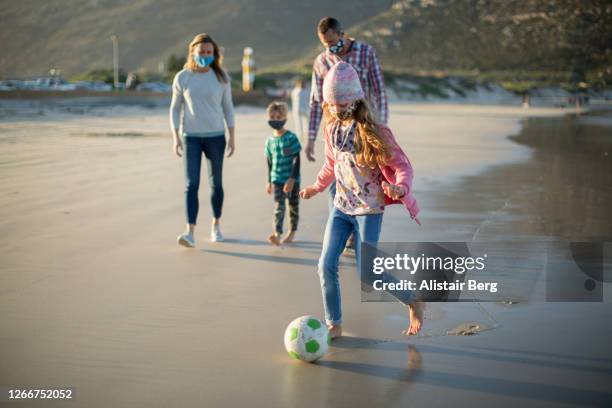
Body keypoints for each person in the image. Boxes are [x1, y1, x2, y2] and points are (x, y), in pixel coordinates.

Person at [299, 62, 423, 339]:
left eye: (340, 103)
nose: (334, 109)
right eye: (330, 104)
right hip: (341, 207)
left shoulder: (374, 133)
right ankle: (334, 323)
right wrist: (316, 187)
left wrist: (401, 187)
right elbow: (331, 165)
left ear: (354, 101)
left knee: (367, 273)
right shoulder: (331, 129)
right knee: (325, 265)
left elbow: (403, 166)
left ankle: (412, 299)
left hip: (369, 209)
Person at [307, 17, 390, 253]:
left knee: (364, 179)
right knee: (336, 180)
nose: (329, 47)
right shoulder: (321, 61)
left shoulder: (365, 53)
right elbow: (315, 102)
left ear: (342, 34)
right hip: (335, 130)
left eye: (333, 42)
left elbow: (378, 89)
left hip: (364, 129)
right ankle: (347, 233)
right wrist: (311, 137)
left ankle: (359, 231)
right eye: (325, 44)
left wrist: (381, 126)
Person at [170, 33, 236, 248]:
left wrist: (232, 136)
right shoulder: (182, 77)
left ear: (214, 54)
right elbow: (175, 108)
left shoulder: (221, 77)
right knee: (192, 184)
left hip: (216, 137)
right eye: (201, 52)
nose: (205, 55)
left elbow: (228, 108)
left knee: (216, 183)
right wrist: (175, 136)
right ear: (193, 53)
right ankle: (190, 232)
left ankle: (216, 226)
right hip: (191, 138)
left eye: (209, 52)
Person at [265, 102, 301, 246]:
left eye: (279, 117)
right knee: (278, 207)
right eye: (272, 117)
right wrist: (269, 181)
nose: (275, 119)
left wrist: (292, 178)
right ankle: (277, 233)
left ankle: (292, 232)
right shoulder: (269, 141)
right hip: (277, 179)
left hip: (292, 179)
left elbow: (297, 159)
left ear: (285, 117)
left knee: (293, 206)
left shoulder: (291, 138)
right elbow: (269, 162)